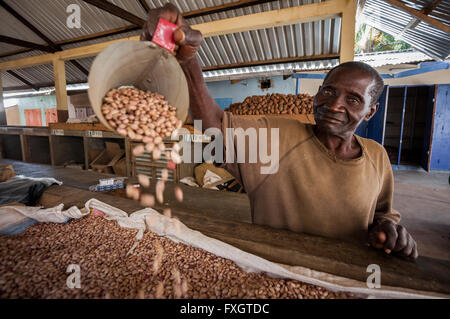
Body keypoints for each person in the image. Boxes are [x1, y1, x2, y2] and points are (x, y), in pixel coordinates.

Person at [141, 4, 418, 259]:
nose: (334, 105)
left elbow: (383, 215)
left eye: (353, 100)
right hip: (274, 271)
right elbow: (212, 124)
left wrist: (389, 232)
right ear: (317, 94)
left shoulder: (376, 156)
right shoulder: (278, 137)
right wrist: (187, 62)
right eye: (329, 92)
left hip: (345, 276)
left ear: (370, 111)